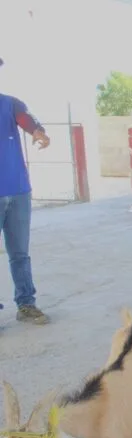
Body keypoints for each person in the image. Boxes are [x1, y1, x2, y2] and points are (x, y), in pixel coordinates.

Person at [0, 58, 52, 325]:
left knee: (20, 252)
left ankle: (26, 304)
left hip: (18, 190)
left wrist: (40, 133)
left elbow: (28, 120)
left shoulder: (10, 104)